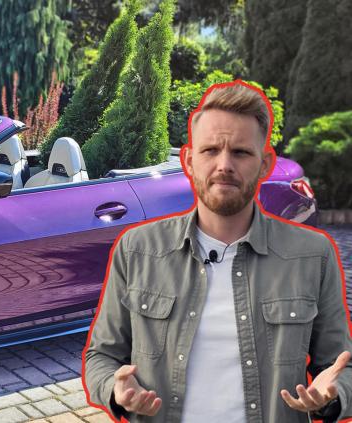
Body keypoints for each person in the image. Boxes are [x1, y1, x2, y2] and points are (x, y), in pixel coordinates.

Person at [82, 80, 352, 422]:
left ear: (265, 163)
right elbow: (101, 357)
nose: (224, 164)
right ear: (189, 160)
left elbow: (341, 366)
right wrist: (115, 388)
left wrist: (334, 393)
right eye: (210, 150)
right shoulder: (137, 249)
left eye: (240, 152)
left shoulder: (312, 255)